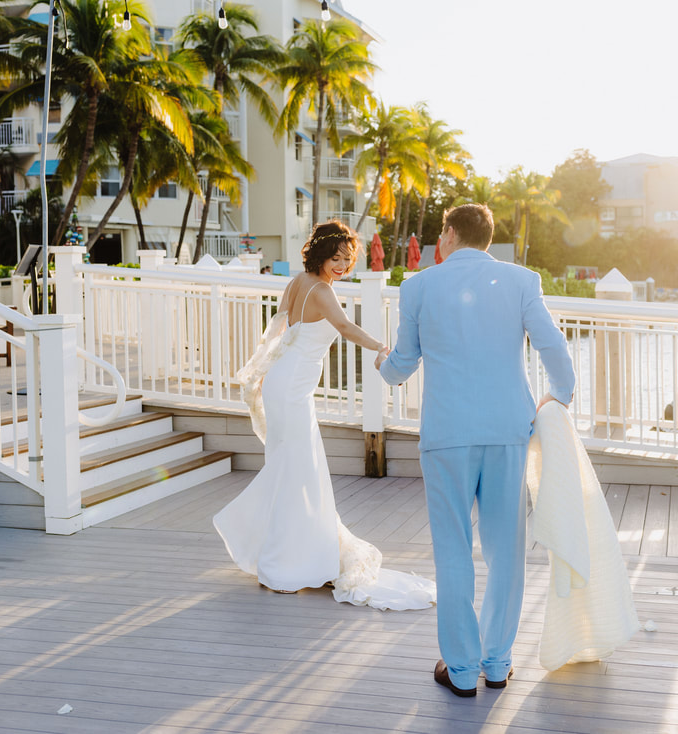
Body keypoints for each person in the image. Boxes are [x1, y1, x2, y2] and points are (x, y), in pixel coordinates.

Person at [376, 204, 576, 696]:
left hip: (447, 434)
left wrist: (384, 363)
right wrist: (561, 394)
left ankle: (462, 671)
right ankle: (498, 663)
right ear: (487, 239)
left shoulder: (419, 286)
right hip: (509, 427)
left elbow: (401, 365)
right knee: (507, 552)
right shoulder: (522, 281)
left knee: (452, 550)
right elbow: (553, 345)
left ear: (447, 234)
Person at [215, 220, 436, 611]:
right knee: (298, 470)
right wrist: (381, 346)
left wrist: (263, 375)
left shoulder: (297, 282)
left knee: (289, 467)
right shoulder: (320, 290)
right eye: (336, 257)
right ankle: (285, 566)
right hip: (293, 390)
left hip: (285, 384)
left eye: (347, 259)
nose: (341, 265)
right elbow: (345, 327)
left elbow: (277, 333)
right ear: (320, 253)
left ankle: (282, 555)